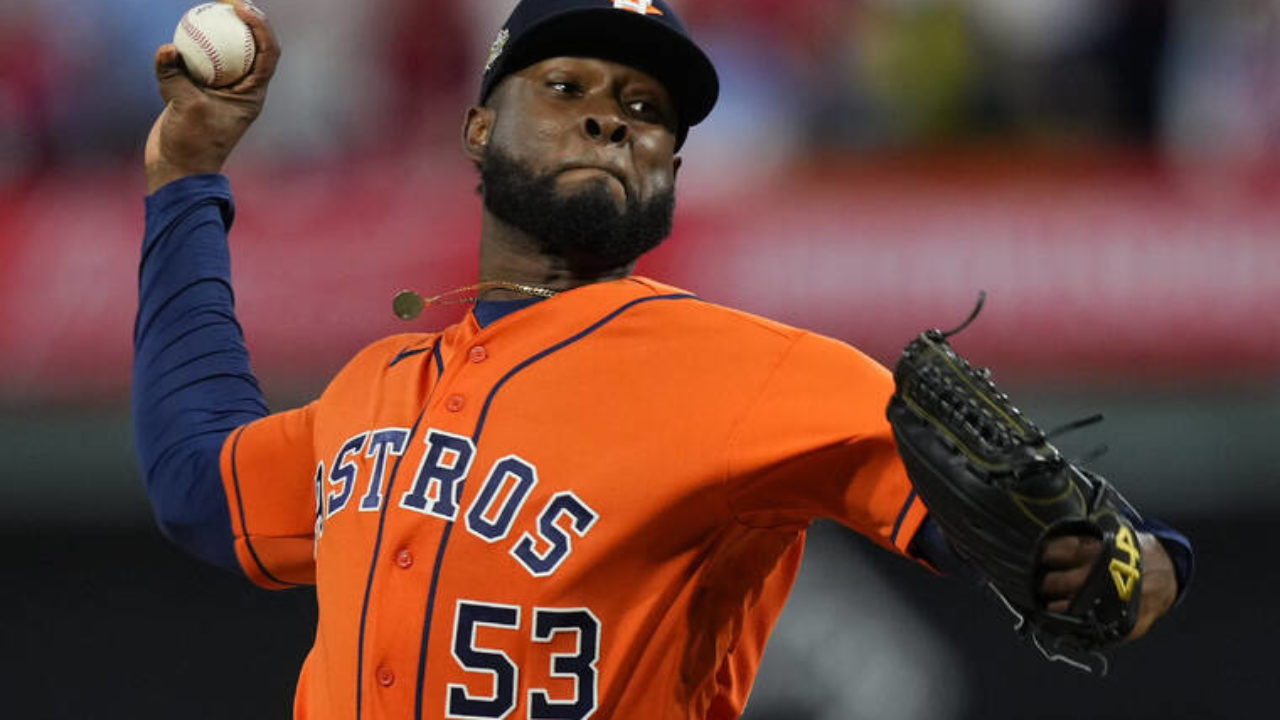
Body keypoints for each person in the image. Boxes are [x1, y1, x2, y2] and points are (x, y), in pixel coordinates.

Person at [134, 1, 1193, 719]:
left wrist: (1131, 563)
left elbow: (1070, 546)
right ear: (474, 127)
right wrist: (184, 181)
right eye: (564, 84)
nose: (610, 117)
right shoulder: (373, 388)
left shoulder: (752, 373)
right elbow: (201, 483)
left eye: (647, 111)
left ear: (670, 167)